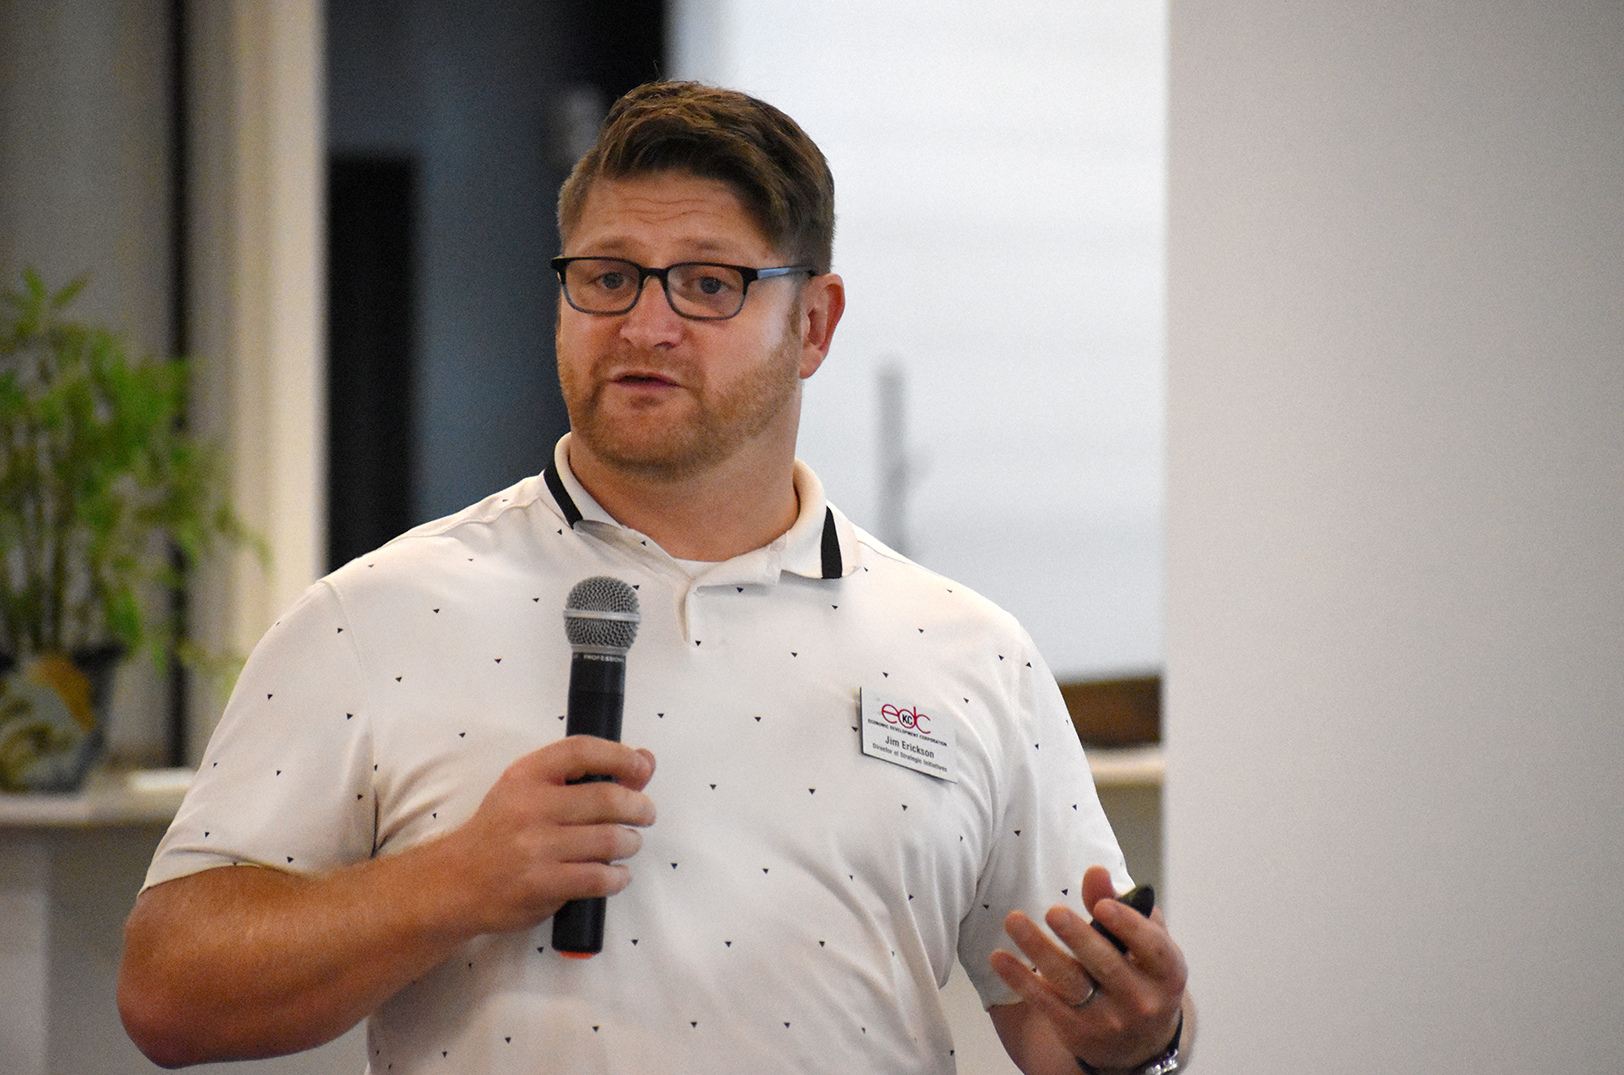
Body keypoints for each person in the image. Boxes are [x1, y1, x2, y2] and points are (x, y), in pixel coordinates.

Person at [119, 81, 1193, 1074]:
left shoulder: (971, 652)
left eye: (708, 284)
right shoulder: (375, 617)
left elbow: (1064, 1023)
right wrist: (456, 880)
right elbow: (168, 992)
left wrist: (1142, 1041)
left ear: (814, 324)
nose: (644, 324)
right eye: (607, 277)